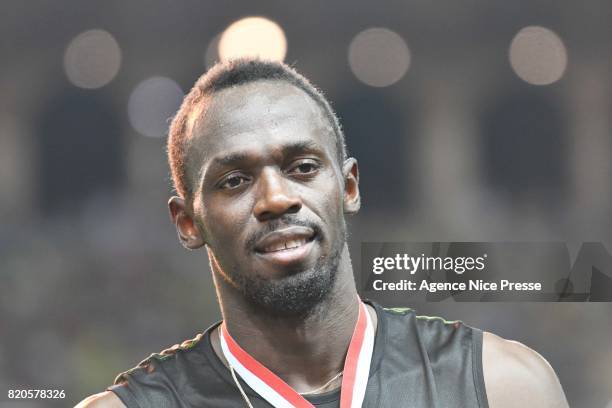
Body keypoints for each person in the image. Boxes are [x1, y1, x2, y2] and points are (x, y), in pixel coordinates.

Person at [77, 58, 568, 408]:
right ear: (188, 223)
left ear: (350, 186)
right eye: (234, 181)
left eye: (303, 167)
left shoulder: (504, 387)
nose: (275, 199)